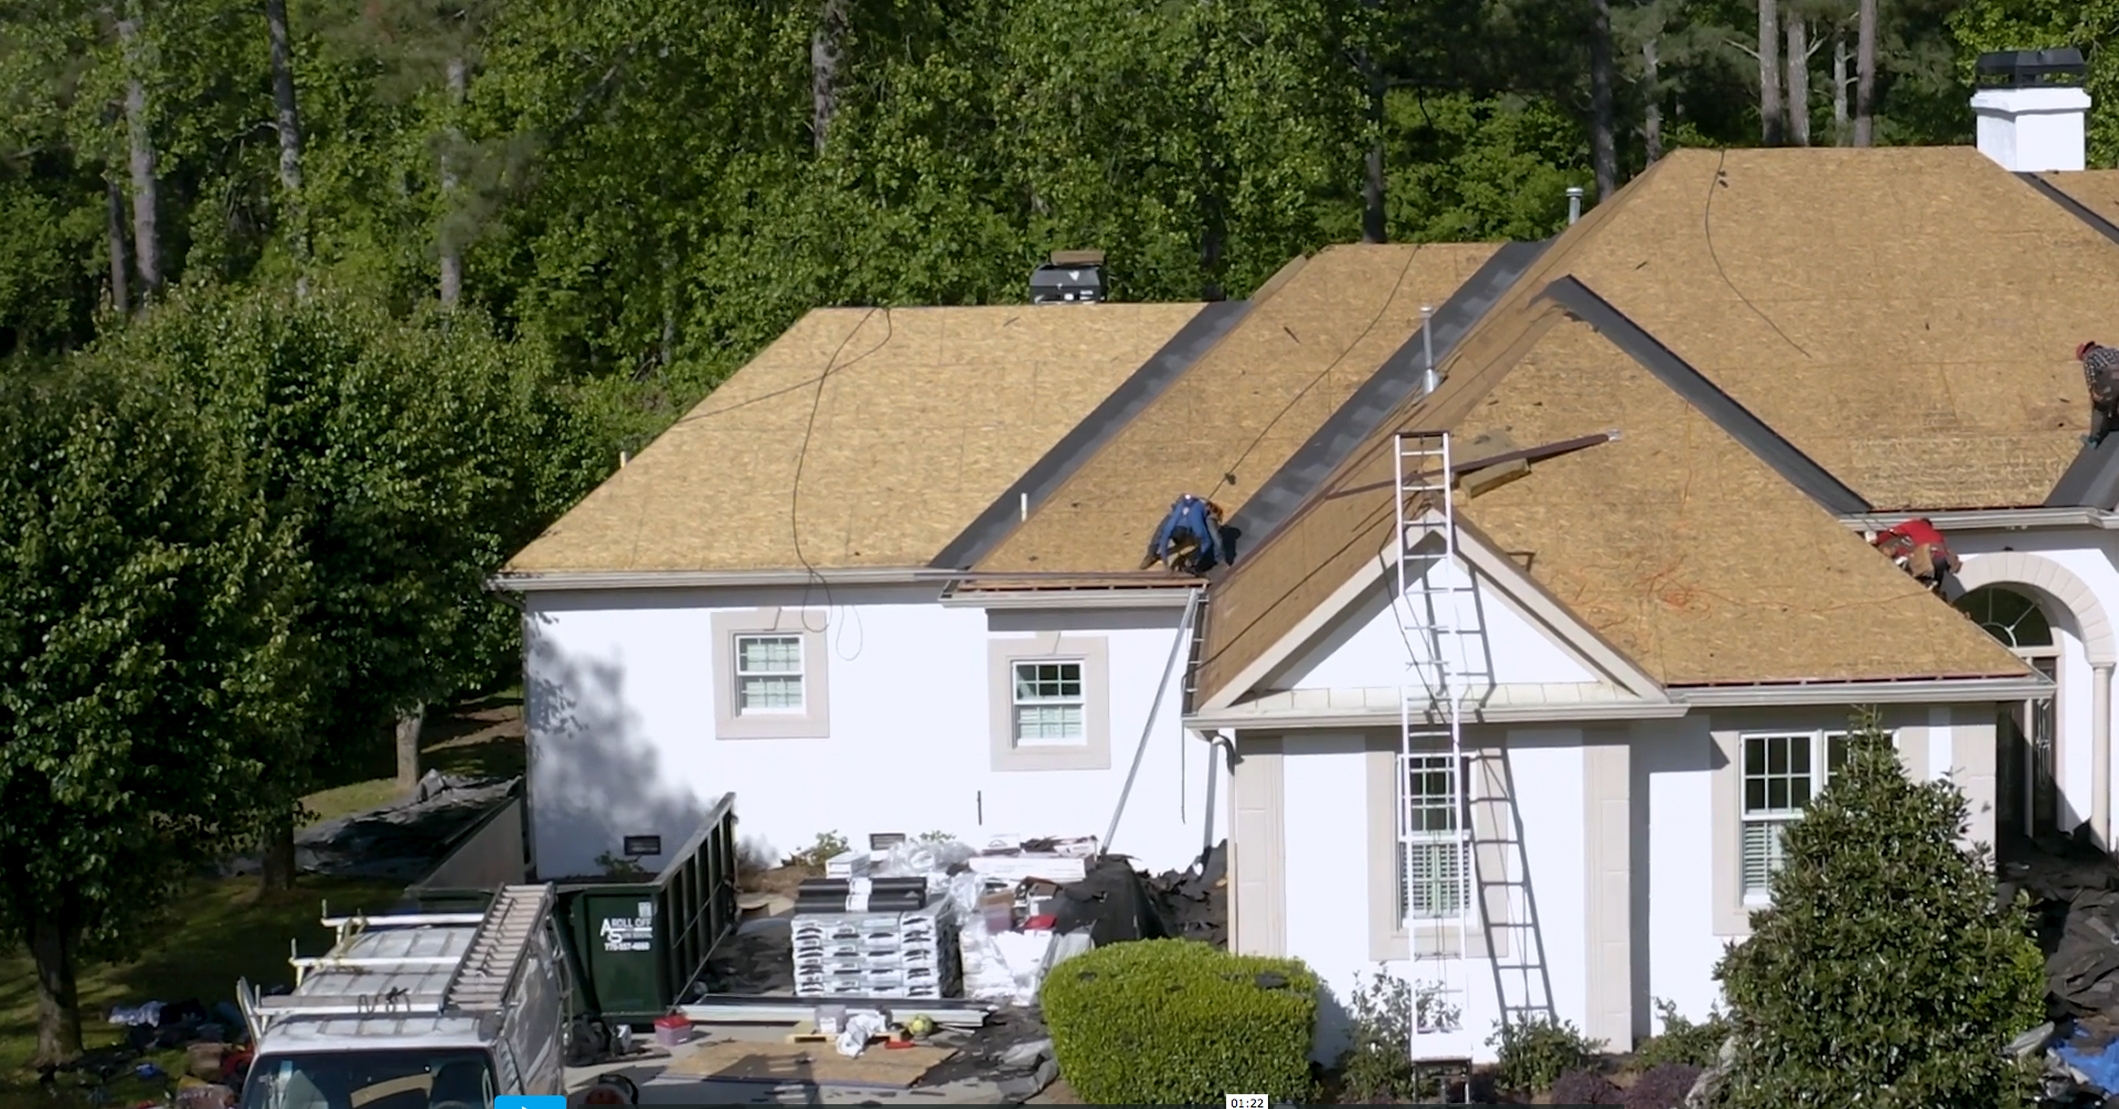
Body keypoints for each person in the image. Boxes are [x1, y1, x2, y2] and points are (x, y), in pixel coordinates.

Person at [2078, 340, 2119, 447]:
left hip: (2110, 377)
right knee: (2115, 399)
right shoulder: (2112, 351)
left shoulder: (2090, 357)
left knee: (2100, 408)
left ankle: (2094, 439)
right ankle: (2115, 422)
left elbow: (2091, 376)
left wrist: (2094, 394)